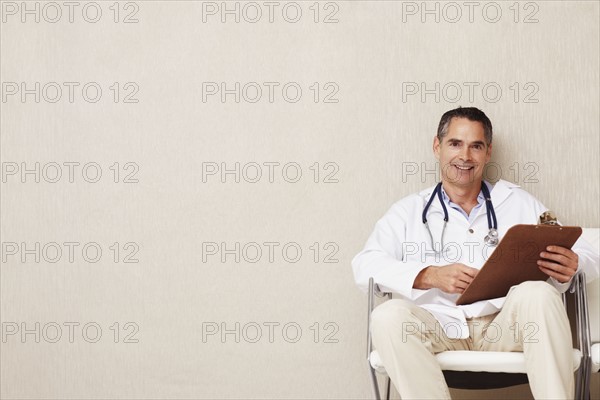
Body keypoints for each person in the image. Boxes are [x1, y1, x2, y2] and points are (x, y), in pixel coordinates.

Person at [352, 107, 599, 399]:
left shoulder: (517, 202)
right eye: (455, 143)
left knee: (539, 293)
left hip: (504, 327)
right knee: (387, 316)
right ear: (437, 147)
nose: (465, 156)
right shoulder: (408, 211)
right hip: (440, 327)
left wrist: (576, 262)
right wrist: (429, 276)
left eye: (476, 146)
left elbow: (585, 243)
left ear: (488, 152)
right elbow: (364, 265)